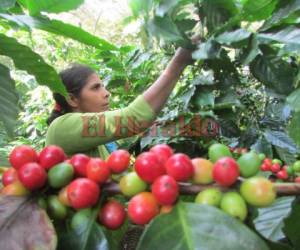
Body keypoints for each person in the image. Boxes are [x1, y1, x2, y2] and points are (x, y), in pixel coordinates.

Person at [45, 47, 195, 159]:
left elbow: (134, 131)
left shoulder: (96, 136)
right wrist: (179, 62)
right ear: (72, 99)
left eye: (103, 86)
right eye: (96, 88)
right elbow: (134, 119)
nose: (106, 93)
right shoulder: (61, 127)